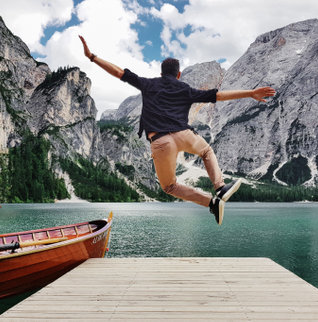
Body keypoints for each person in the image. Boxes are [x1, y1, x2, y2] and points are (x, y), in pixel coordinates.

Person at [79, 36, 276, 225]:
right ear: (178, 74)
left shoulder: (148, 84)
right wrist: (250, 93)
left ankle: (210, 203)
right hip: (184, 135)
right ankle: (220, 188)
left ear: (161, 72)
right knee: (207, 151)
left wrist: (92, 57)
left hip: (161, 141)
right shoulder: (185, 89)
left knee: (169, 187)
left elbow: (119, 72)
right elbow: (218, 95)